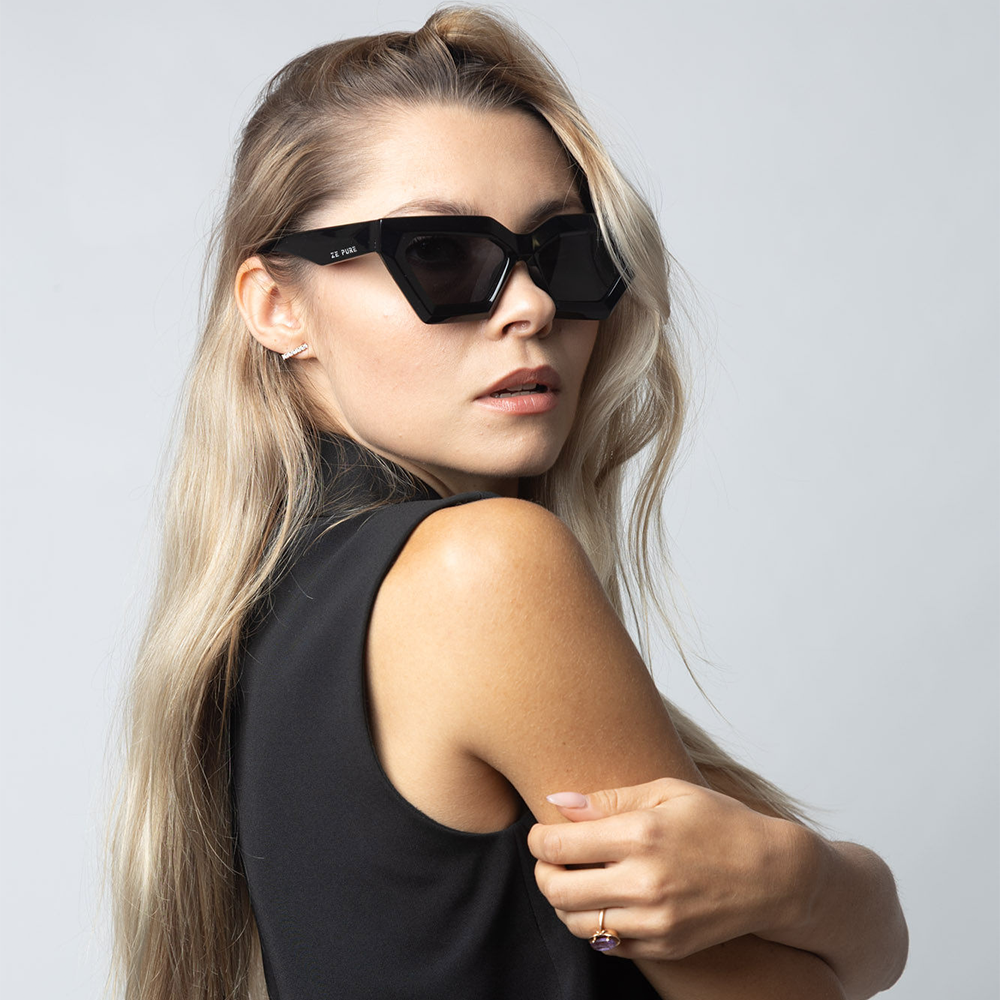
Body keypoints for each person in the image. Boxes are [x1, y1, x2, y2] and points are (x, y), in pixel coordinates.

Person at [106, 6, 907, 999]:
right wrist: (824, 881)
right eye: (442, 254)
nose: (528, 304)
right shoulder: (482, 569)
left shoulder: (273, 611)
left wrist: (823, 898)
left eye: (566, 253)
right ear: (279, 305)